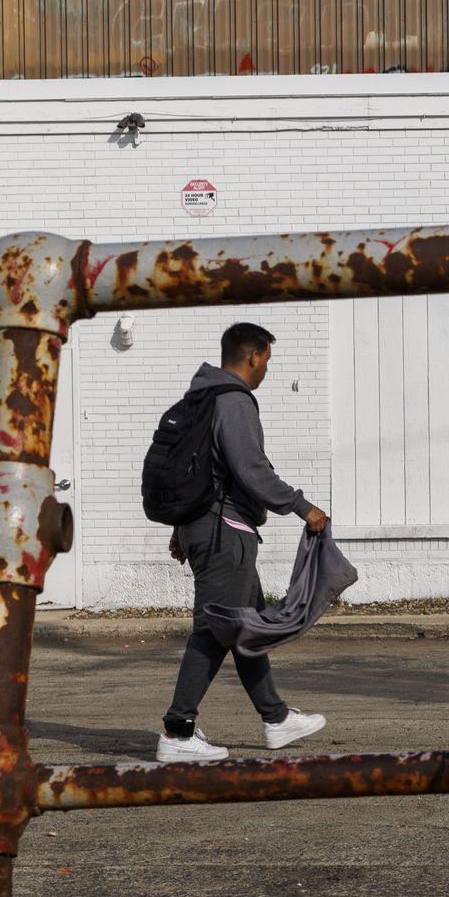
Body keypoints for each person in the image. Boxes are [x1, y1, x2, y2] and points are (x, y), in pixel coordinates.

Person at [157, 322, 330, 762]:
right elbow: (252, 470)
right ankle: (178, 732)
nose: (266, 369)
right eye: (267, 360)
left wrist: (181, 529)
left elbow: (197, 472)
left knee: (244, 625)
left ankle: (275, 718)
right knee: (215, 630)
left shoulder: (201, 398)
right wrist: (302, 507)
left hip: (209, 528)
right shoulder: (232, 402)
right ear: (253, 356)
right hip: (223, 533)